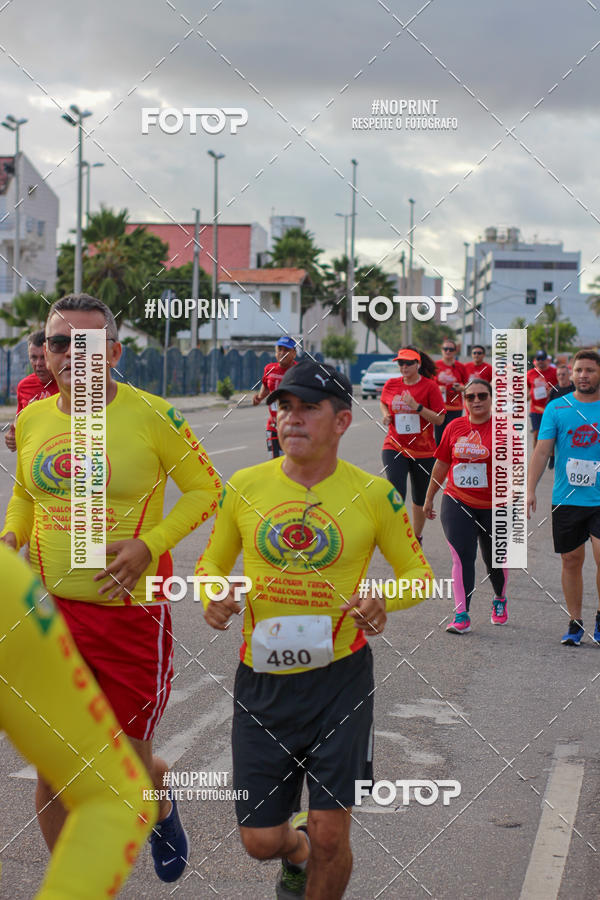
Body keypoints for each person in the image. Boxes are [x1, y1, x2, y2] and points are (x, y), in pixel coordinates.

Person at [0, 293, 222, 884]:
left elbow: (207, 491)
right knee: (56, 769)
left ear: (114, 352)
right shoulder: (32, 418)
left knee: (126, 761)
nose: (72, 353)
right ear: (44, 352)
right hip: (53, 615)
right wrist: (10, 539)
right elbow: (25, 494)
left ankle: (162, 805)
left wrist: (150, 543)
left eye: (88, 343)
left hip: (131, 616)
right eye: (59, 342)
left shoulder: (154, 415)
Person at [196, 360, 433, 900]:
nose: (291, 418)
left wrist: (382, 599)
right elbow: (211, 564)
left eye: (308, 408)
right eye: (284, 407)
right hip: (263, 685)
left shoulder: (375, 495)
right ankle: (294, 854)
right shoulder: (245, 485)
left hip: (340, 682)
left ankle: (315, 856)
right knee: (260, 839)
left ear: (343, 421)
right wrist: (213, 593)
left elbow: (418, 577)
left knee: (331, 834)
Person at [0, 542, 156, 898]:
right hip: (55, 598)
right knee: (53, 779)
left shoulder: (5, 587)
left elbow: (112, 796)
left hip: (125, 609)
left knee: (130, 767)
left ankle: (161, 797)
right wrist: (15, 529)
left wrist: (151, 545)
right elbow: (26, 493)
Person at [527, 350, 600, 646]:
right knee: (571, 560)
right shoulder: (557, 408)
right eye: (579, 370)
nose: (584, 375)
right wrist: (530, 489)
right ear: (571, 373)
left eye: (590, 370)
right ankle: (575, 621)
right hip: (567, 497)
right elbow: (542, 451)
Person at [423, 378, 508, 633]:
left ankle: (500, 599)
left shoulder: (504, 430)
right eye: (470, 397)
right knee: (462, 556)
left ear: (492, 399)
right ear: (464, 400)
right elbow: (441, 464)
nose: (476, 401)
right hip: (457, 499)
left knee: (494, 559)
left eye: (482, 396)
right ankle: (462, 614)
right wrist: (429, 498)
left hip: (495, 505)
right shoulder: (455, 427)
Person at [380, 347, 445, 545]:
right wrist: (385, 414)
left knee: (419, 498)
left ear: (418, 364)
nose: (404, 367)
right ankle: (398, 535)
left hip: (423, 450)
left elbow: (440, 419)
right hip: (394, 445)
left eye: (408, 363)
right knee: (396, 490)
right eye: (401, 363)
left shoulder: (430, 387)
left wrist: (417, 407)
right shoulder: (391, 384)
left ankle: (415, 538)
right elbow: (384, 401)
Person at [4, 329, 58, 452]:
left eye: (43, 357)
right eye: (33, 357)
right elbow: (19, 423)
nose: (38, 363)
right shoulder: (24, 386)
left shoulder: (68, 384)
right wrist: (12, 438)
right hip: (33, 459)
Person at [253, 336, 298, 457]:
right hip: (273, 426)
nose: (282, 353)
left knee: (290, 463)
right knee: (274, 462)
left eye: (286, 350)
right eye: (279, 349)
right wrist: (260, 397)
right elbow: (266, 386)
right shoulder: (269, 369)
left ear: (294, 353)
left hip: (292, 428)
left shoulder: (298, 371)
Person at [434, 338, 467, 443]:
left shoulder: (460, 367)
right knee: (439, 437)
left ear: (455, 351)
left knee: (453, 437)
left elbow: (468, 385)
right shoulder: (435, 366)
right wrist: (437, 388)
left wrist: (461, 388)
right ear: (441, 350)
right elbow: (427, 384)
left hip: (455, 406)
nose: (448, 351)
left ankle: (453, 458)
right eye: (445, 349)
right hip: (439, 406)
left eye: (451, 349)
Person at [526, 350, 557, 447]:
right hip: (536, 409)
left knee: (552, 437)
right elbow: (527, 390)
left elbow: (560, 387)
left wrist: (551, 391)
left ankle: (552, 460)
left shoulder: (554, 372)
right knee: (537, 435)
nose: (540, 361)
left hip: (551, 408)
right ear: (535, 360)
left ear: (547, 360)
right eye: (538, 359)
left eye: (542, 359)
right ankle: (536, 458)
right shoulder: (530, 373)